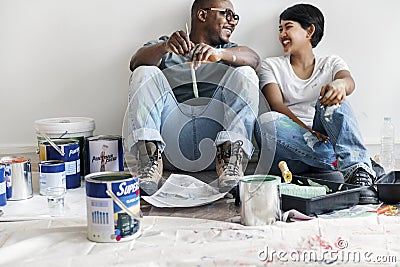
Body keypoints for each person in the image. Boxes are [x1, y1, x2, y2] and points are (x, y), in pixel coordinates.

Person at [127, 0, 261, 195]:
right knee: (144, 72)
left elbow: (255, 60)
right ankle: (149, 160)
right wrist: (165, 47)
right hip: (171, 145)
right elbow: (135, 62)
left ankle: (232, 160)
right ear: (202, 15)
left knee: (246, 73)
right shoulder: (168, 46)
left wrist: (220, 54)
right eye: (227, 14)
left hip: (215, 149)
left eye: (235, 18)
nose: (233, 22)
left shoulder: (230, 51)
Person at [256, 3, 378, 204]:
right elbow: (276, 104)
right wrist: (309, 132)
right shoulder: (271, 65)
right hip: (289, 151)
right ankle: (352, 163)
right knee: (266, 121)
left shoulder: (331, 63)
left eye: (288, 27)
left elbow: (348, 82)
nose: (282, 34)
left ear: (309, 31)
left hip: (325, 138)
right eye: (280, 29)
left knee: (332, 100)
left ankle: (358, 172)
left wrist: (339, 85)